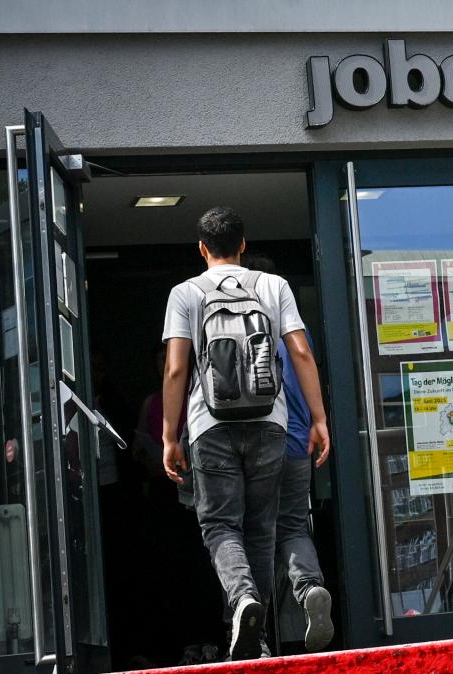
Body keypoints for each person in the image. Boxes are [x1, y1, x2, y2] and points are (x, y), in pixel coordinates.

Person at [161, 207, 331, 661]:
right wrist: (318, 418)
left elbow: (176, 369)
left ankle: (242, 602)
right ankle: (257, 637)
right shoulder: (274, 286)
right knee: (262, 527)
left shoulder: (185, 293)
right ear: (243, 243)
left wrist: (169, 435)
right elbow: (301, 352)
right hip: (270, 424)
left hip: (210, 425)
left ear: (201, 248)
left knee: (220, 524)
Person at [241, 253, 334, 652]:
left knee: (252, 535)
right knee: (293, 526)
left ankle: (254, 633)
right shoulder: (297, 329)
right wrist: (318, 420)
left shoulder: (239, 326)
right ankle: (310, 587)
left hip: (255, 446)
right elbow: (307, 367)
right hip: (297, 442)